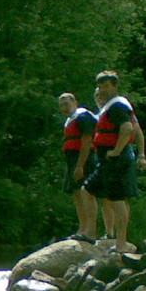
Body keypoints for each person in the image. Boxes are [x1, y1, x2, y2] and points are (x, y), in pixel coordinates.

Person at [83, 70, 141, 253]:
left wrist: (116, 150)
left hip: (116, 159)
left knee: (117, 199)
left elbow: (127, 128)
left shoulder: (118, 106)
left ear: (114, 86)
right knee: (87, 189)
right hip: (106, 160)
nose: (102, 90)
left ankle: (121, 244)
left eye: (106, 86)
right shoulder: (108, 107)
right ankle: (90, 233)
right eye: (100, 86)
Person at [57, 92, 98, 241]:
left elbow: (87, 140)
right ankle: (82, 228)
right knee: (76, 193)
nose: (64, 107)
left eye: (66, 103)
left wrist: (80, 165)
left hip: (83, 158)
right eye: (61, 105)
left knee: (85, 192)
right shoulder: (69, 120)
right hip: (71, 159)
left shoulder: (83, 116)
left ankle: (91, 231)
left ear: (74, 101)